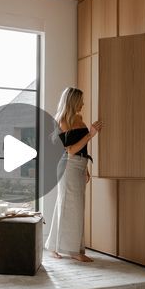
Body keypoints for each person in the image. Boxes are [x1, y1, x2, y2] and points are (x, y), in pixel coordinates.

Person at [45, 87, 103, 262]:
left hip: (80, 164)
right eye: (81, 100)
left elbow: (82, 148)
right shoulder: (62, 121)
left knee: (68, 206)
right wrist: (91, 134)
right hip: (68, 165)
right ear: (73, 101)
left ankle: (56, 246)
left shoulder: (78, 118)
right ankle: (73, 251)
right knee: (71, 207)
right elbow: (70, 151)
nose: (83, 103)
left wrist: (86, 169)